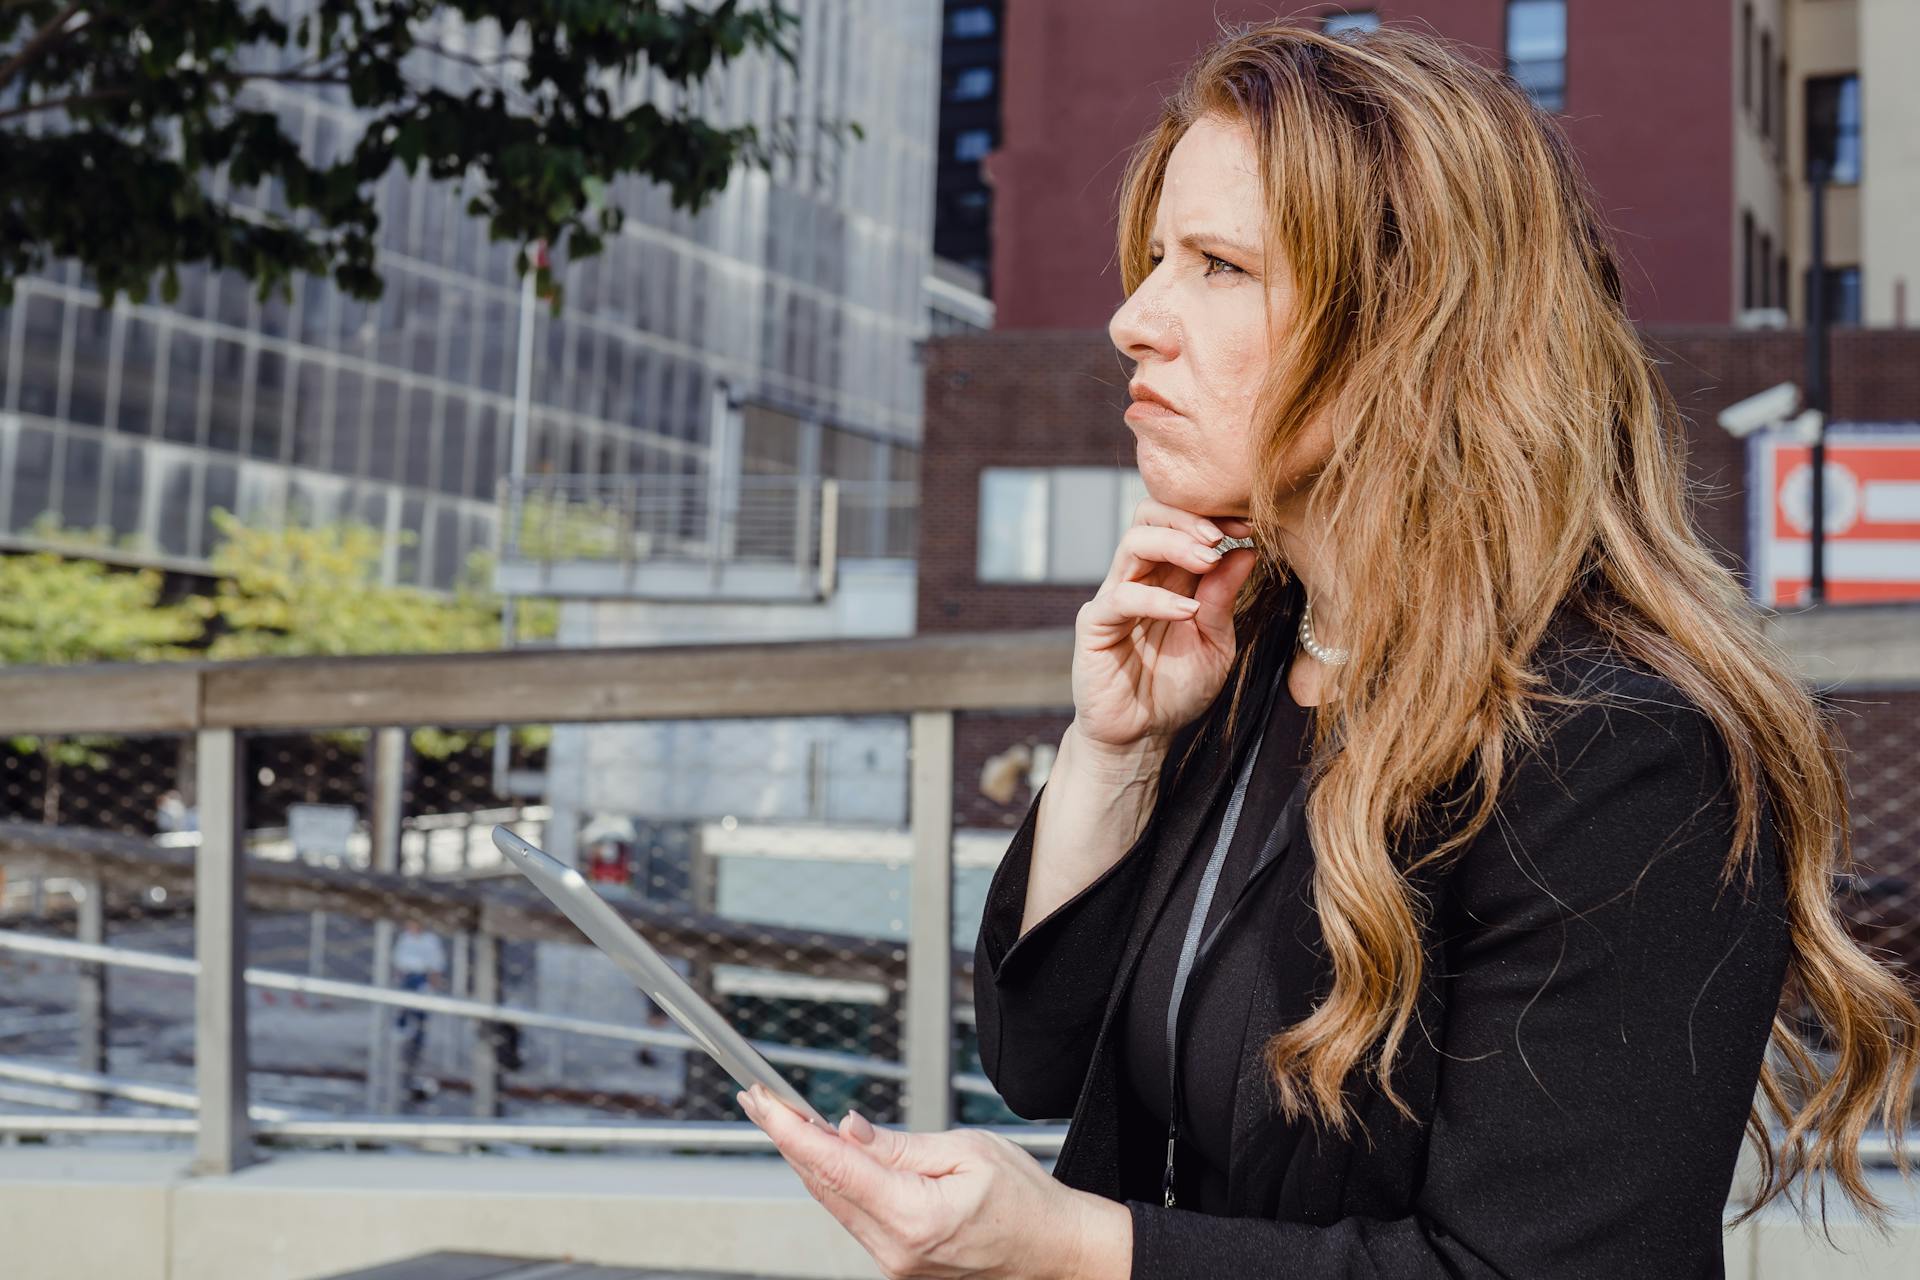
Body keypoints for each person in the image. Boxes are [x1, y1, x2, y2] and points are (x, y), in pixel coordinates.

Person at [733, 21, 1919, 1279]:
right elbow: (1038, 1055)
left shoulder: (1622, 753)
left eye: (1218, 266)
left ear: (1412, 326)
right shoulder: (1247, 657)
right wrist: (1113, 748)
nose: (1134, 319)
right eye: (1151, 261)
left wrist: (1078, 1247)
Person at [392, 918, 448, 1101]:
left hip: (422, 977)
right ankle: (402, 1032)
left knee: (420, 1011)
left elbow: (436, 961)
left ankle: (419, 1037)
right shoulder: (406, 939)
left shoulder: (430, 940)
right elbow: (399, 959)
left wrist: (433, 979)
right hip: (408, 976)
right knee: (404, 1006)